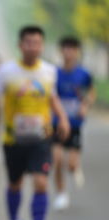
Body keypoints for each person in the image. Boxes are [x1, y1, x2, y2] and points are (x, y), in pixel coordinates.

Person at [0, 26, 70, 220]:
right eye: (29, 42)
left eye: (37, 43)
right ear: (20, 45)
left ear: (42, 46)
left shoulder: (48, 71)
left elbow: (52, 97)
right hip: (13, 139)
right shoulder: (6, 71)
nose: (33, 47)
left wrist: (62, 119)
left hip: (42, 138)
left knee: (41, 182)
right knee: (15, 184)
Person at [52, 37, 95, 210]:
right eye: (65, 48)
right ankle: (61, 194)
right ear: (61, 51)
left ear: (77, 51)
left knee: (70, 164)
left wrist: (85, 105)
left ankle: (75, 167)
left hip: (75, 123)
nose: (68, 52)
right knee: (56, 160)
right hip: (56, 123)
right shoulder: (53, 73)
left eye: (72, 48)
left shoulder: (84, 74)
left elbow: (91, 92)